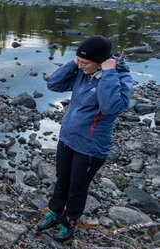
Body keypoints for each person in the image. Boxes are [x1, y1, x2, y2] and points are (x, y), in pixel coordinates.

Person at [37, 35, 133, 241]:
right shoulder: (82, 71)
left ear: (102, 62)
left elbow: (111, 107)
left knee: (77, 187)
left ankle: (69, 223)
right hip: (67, 139)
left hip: (90, 147)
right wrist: (74, 62)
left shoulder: (119, 78)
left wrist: (108, 74)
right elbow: (53, 84)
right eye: (78, 61)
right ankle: (54, 212)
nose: (81, 67)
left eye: (85, 63)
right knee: (62, 179)